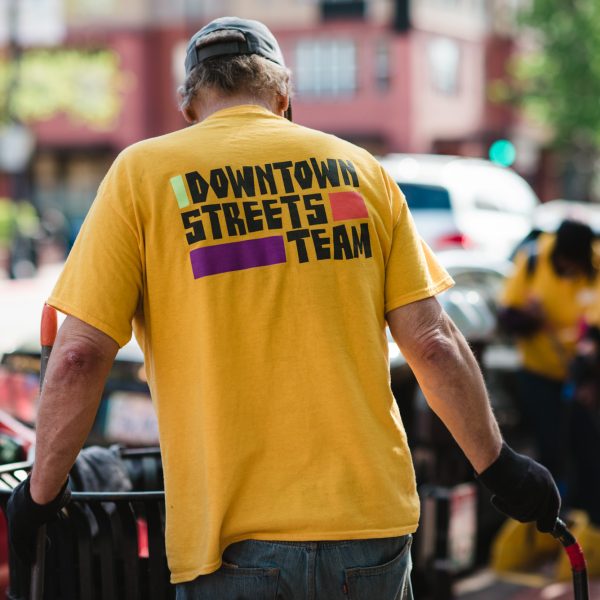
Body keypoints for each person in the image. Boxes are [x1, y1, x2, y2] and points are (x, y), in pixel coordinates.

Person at [7, 17, 560, 599]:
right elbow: (434, 343)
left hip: (232, 542)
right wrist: (500, 466)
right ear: (284, 95)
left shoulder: (144, 175)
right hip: (368, 531)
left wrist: (40, 495)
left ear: (189, 105)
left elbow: (76, 356)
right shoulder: (360, 171)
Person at [498, 219, 598, 480]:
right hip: (538, 373)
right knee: (550, 446)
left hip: (580, 378)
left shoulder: (595, 263)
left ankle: (587, 514)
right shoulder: (533, 259)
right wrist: (532, 319)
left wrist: (589, 371)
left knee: (587, 450)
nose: (570, 269)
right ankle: (553, 510)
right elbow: (507, 317)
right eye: (566, 263)